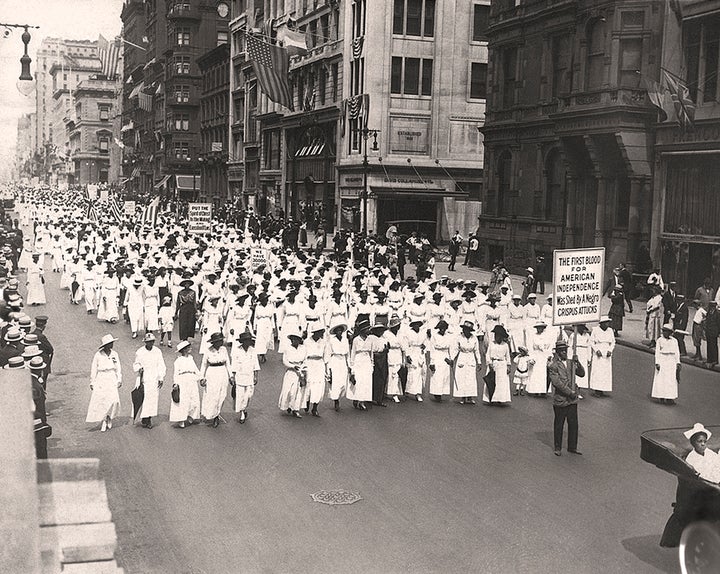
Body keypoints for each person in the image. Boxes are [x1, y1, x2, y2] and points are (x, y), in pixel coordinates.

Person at [549, 340, 585, 456]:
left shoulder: (571, 363)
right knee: (559, 424)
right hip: (561, 400)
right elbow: (557, 383)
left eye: (566, 350)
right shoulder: (553, 366)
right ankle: (557, 447)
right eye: (562, 351)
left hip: (572, 400)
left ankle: (572, 446)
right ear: (558, 353)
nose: (565, 352)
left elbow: (582, 373)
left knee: (573, 424)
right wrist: (570, 392)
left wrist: (577, 362)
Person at [86, 334, 122, 432]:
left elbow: (118, 367)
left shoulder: (115, 354)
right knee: (102, 400)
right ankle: (104, 421)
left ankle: (109, 416)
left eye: (112, 343)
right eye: (109, 343)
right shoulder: (98, 355)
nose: (111, 345)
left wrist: (119, 379)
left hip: (111, 377)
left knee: (114, 400)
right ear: (105, 345)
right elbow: (94, 369)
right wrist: (92, 382)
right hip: (101, 378)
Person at [132, 333, 166, 429]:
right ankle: (144, 417)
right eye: (148, 342)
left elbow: (161, 365)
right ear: (145, 342)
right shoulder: (140, 352)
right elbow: (136, 364)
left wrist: (161, 377)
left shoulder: (157, 351)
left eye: (152, 342)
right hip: (144, 378)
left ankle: (149, 418)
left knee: (152, 399)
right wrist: (139, 368)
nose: (151, 343)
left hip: (154, 378)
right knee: (144, 398)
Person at [199, 332, 233, 427]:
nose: (221, 342)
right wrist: (202, 377)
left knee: (222, 395)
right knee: (212, 395)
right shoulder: (208, 351)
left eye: (221, 340)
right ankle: (215, 416)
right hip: (212, 373)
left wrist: (231, 376)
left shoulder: (224, 350)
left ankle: (217, 413)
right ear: (214, 342)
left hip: (222, 373)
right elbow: (204, 365)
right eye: (219, 341)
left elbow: (228, 363)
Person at [169, 341, 201, 428]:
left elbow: (196, 369)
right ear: (183, 350)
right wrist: (175, 383)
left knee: (194, 398)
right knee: (183, 400)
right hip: (183, 380)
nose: (190, 348)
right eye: (188, 347)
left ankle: (191, 416)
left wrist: (201, 377)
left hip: (192, 380)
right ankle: (181, 419)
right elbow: (176, 373)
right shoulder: (178, 361)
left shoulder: (191, 358)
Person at [230, 329, 260, 423]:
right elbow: (234, 365)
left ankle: (244, 408)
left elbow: (256, 364)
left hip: (249, 376)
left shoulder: (253, 351)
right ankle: (242, 413)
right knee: (240, 395)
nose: (248, 342)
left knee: (248, 395)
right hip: (240, 376)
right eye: (246, 340)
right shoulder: (237, 351)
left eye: (249, 340)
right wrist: (233, 377)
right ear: (243, 341)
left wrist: (256, 376)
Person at [651, 324, 681, 404]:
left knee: (670, 380)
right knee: (661, 379)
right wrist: (657, 363)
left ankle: (670, 397)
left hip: (671, 361)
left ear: (670, 332)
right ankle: (661, 395)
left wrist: (678, 362)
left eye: (666, 332)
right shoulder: (659, 340)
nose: (665, 333)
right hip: (663, 360)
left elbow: (677, 352)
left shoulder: (674, 341)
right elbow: (657, 352)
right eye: (663, 331)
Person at [453, 320, 481, 404]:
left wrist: (479, 362)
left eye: (468, 329)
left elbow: (477, 351)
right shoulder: (459, 337)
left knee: (471, 378)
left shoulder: (474, 338)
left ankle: (470, 396)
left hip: (471, 357)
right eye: (465, 329)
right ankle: (462, 397)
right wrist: (452, 359)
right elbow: (455, 349)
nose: (466, 331)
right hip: (462, 356)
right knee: (461, 377)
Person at [278, 333, 306, 418]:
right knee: (289, 390)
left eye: (297, 339)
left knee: (298, 391)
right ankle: (289, 405)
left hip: (300, 370)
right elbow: (285, 361)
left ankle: (296, 409)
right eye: (294, 339)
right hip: (291, 371)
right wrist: (293, 366)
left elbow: (305, 359)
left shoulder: (303, 348)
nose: (295, 341)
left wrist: (303, 368)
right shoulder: (287, 348)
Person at [484, 324, 512, 405]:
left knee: (501, 383)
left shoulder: (505, 345)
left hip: (502, 364)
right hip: (493, 364)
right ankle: (491, 398)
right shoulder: (492, 344)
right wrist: (489, 363)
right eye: (496, 335)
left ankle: (500, 399)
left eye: (499, 335)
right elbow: (487, 355)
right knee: (492, 381)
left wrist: (509, 366)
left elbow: (508, 356)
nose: (497, 337)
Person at [427, 320, 454, 401]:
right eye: (441, 328)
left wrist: (451, 359)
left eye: (444, 328)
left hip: (445, 355)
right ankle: (436, 393)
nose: (442, 330)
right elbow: (432, 349)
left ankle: (442, 392)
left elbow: (451, 348)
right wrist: (432, 362)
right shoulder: (434, 336)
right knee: (437, 375)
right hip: (437, 355)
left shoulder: (449, 336)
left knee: (445, 375)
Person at [589, 316, 615, 397]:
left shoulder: (610, 331)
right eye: (606, 322)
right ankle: (597, 389)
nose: (607, 324)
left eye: (608, 322)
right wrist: (596, 350)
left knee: (605, 372)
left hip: (607, 352)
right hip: (598, 353)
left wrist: (610, 350)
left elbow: (613, 342)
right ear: (601, 324)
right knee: (598, 371)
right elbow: (591, 342)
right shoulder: (595, 330)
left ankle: (603, 388)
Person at [326, 323, 350, 411]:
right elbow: (328, 354)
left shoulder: (345, 340)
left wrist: (349, 365)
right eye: (337, 331)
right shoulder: (331, 341)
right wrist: (328, 368)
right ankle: (336, 401)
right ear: (335, 332)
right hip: (335, 360)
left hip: (343, 360)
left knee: (343, 382)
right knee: (336, 381)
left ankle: (339, 397)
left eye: (340, 330)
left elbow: (348, 354)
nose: (339, 332)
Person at [705, 301, 720, 366]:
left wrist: (718, 332)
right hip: (708, 331)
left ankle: (715, 360)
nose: (711, 308)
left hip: (714, 332)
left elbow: (719, 323)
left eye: (713, 307)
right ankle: (709, 359)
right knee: (709, 345)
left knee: (714, 345)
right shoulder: (708, 312)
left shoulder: (717, 313)